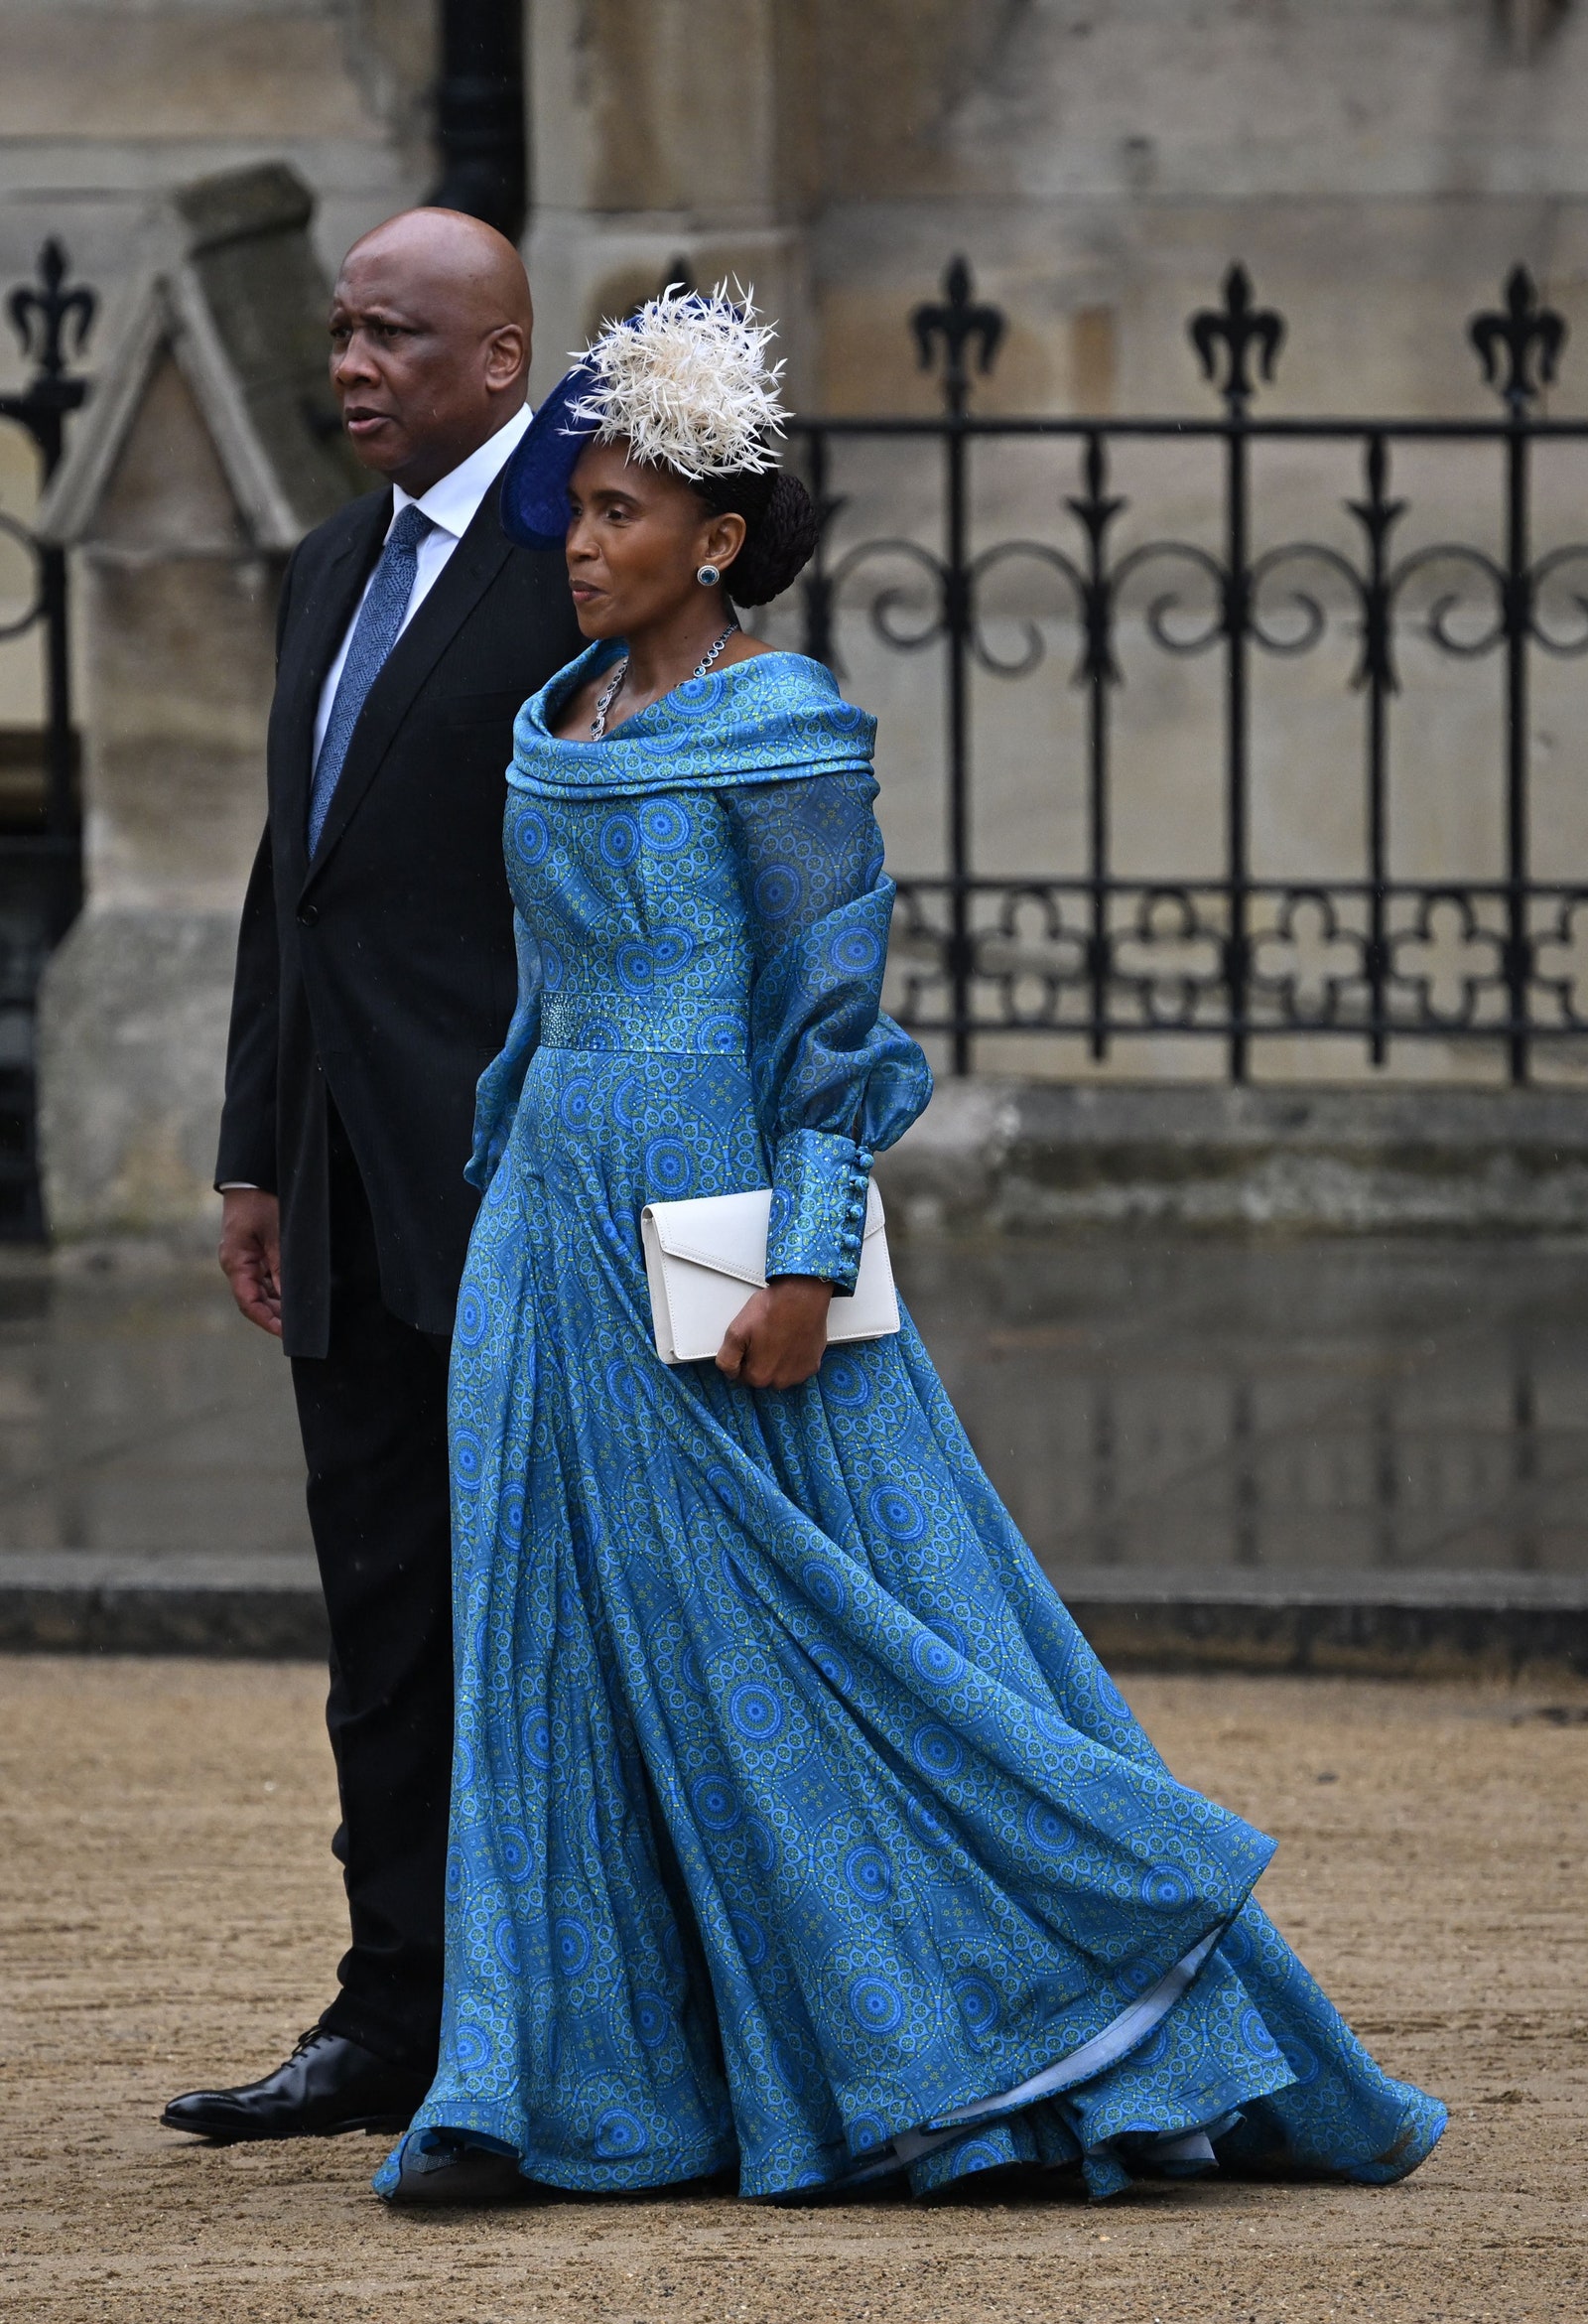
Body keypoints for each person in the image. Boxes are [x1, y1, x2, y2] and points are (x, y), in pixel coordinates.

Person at [378, 289, 1445, 2206]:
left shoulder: (784, 729)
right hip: (546, 1226)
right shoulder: (563, 714)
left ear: (717, 539)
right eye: (577, 511)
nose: (580, 544)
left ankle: (982, 2041)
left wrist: (804, 1254)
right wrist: (497, 1183)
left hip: (709, 1230)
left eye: (621, 512)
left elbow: (834, 1027)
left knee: (821, 1637)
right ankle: (554, 2085)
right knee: (548, 1640)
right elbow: (543, 998)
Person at [160, 210, 583, 2145]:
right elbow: (291, 882)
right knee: (385, 1619)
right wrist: (255, 1152)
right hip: (339, 1181)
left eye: (392, 336)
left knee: (558, 1621)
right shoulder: (327, 565)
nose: (349, 364)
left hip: (522, 1176)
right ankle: (386, 2018)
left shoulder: (584, 560)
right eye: (338, 330)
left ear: (500, 360)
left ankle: (570, 2030)